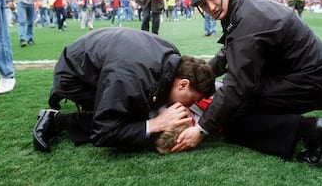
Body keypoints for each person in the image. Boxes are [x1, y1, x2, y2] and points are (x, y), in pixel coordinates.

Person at [174, 0, 322, 167]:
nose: (211, 7)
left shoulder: (248, 19)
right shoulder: (240, 4)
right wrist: (201, 75)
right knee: (233, 103)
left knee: (232, 117)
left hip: (309, 83)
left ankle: (312, 131)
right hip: (300, 75)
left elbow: (236, 86)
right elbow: (229, 51)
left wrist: (201, 129)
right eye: (203, 4)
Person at [33, 27, 215, 153]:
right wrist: (154, 124)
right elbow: (103, 133)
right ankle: (56, 120)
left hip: (89, 61)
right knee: (136, 119)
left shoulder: (172, 57)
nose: (188, 106)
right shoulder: (134, 80)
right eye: (190, 100)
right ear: (182, 84)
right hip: (73, 78)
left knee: (145, 109)